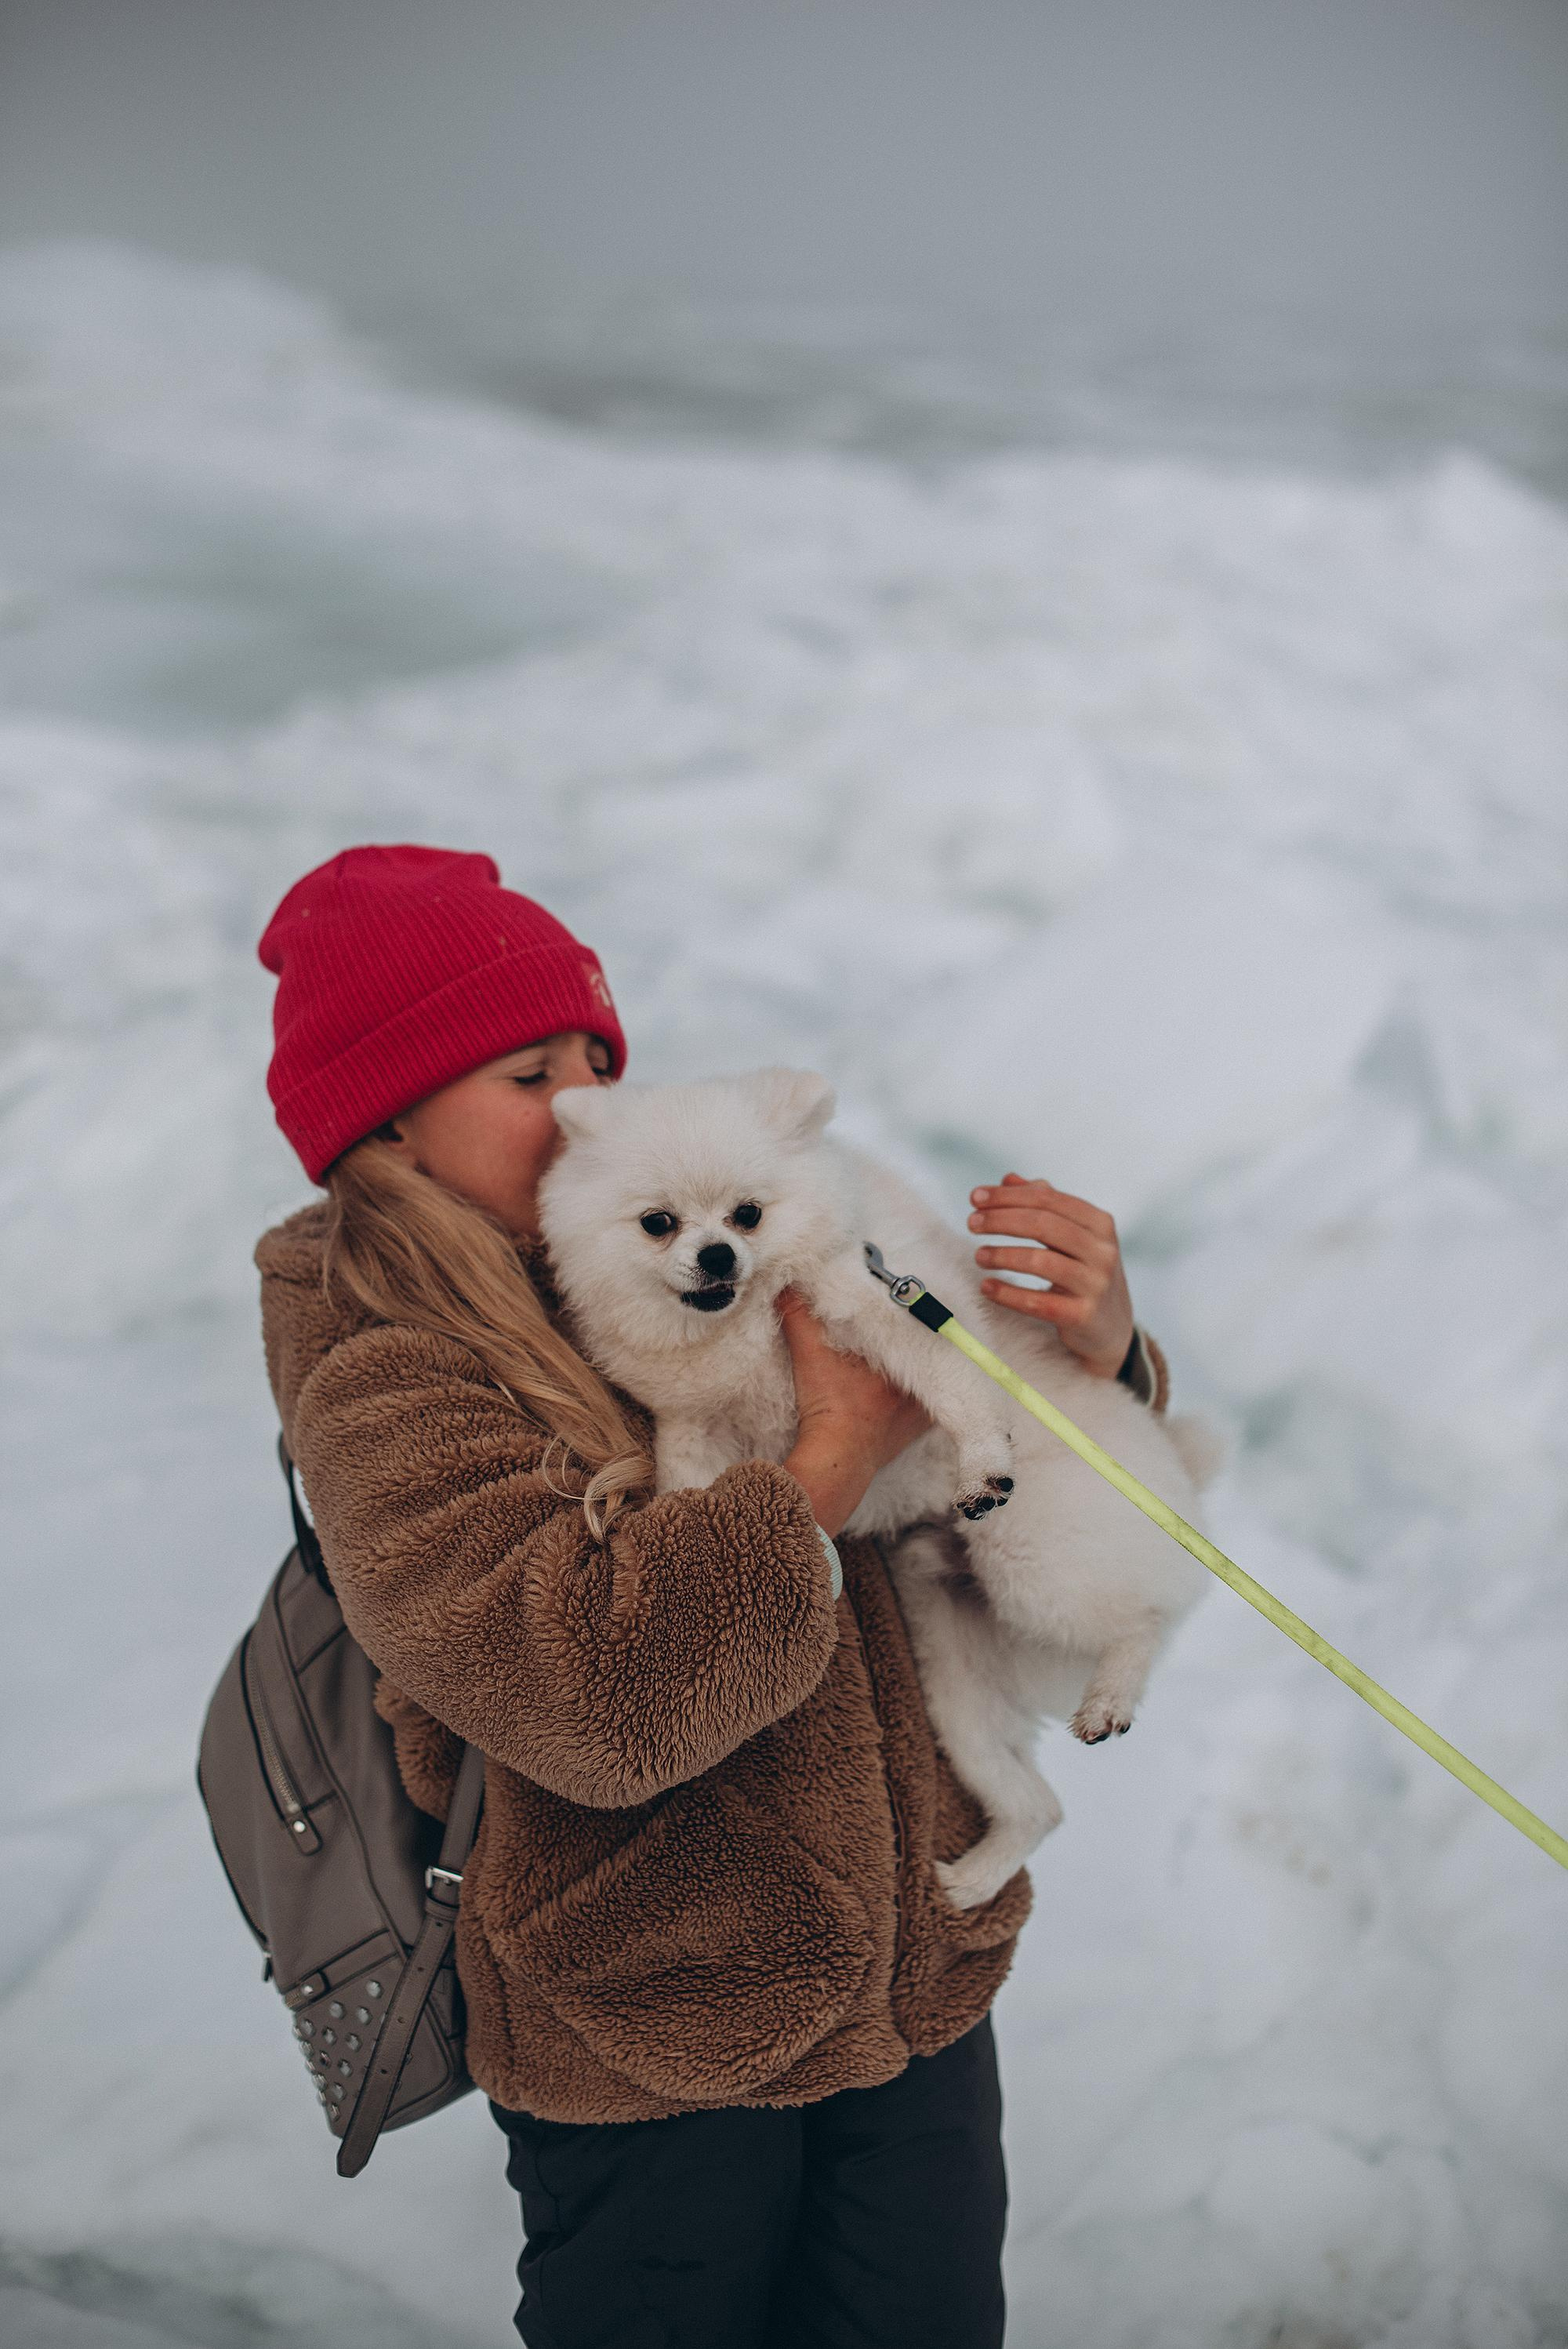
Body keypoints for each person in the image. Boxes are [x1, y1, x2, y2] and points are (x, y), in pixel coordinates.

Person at [255, 843, 1170, 2349]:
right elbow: (590, 1698)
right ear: (393, 1121)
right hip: (656, 2016)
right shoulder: (385, 1371)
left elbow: (932, 1406)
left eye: (595, 1058)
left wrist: (1091, 1350)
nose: (584, 1105)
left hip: (906, 1966)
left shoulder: (678, 1217)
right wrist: (825, 1450)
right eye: (529, 1071)